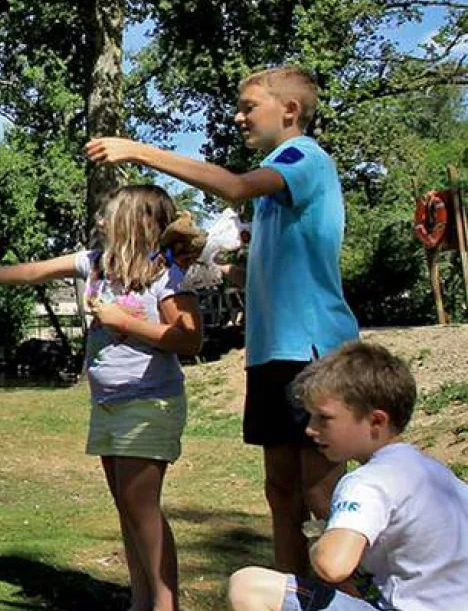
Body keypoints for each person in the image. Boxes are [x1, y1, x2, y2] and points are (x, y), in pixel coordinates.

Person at [85, 66, 360, 574]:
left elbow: (234, 187)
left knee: (324, 498)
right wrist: (214, 269)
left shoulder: (302, 157)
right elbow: (264, 273)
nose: (238, 117)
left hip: (314, 353)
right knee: (281, 493)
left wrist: (139, 151)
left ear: (289, 110)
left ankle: (354, 599)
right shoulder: (278, 188)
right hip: (272, 354)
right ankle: (291, 599)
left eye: (249, 106)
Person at [0, 184, 202, 611]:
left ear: (138, 223)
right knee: (127, 508)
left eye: (111, 214)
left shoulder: (165, 276)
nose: (101, 221)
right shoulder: (94, 264)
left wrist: (125, 322)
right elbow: (33, 272)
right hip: (107, 405)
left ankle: (165, 603)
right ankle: (141, 600)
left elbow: (190, 339)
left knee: (141, 507)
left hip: (149, 404)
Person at [227, 341, 468, 611]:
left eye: (324, 418)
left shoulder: (368, 482)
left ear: (376, 421)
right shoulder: (437, 475)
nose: (310, 429)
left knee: (249, 586)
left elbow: (333, 565)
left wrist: (319, 543)